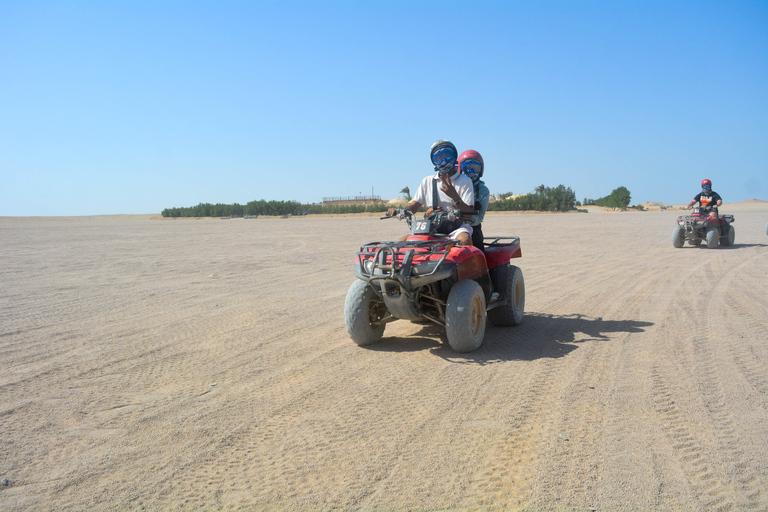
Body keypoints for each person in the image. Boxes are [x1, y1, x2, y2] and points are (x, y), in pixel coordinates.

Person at [387, 140, 475, 246]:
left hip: (457, 228)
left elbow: (469, 215)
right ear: (434, 161)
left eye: (447, 156)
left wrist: (455, 197)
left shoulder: (464, 181)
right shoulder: (427, 181)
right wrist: (399, 211)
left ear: (454, 157)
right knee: (401, 243)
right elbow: (414, 206)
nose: (444, 161)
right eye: (439, 158)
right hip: (432, 227)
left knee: (464, 240)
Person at [458, 149, 490, 249]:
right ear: (460, 168)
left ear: (481, 170)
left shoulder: (483, 190)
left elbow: (480, 217)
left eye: (475, 168)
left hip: (473, 228)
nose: (470, 171)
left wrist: (465, 219)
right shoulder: (455, 186)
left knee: (477, 251)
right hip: (453, 227)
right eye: (467, 167)